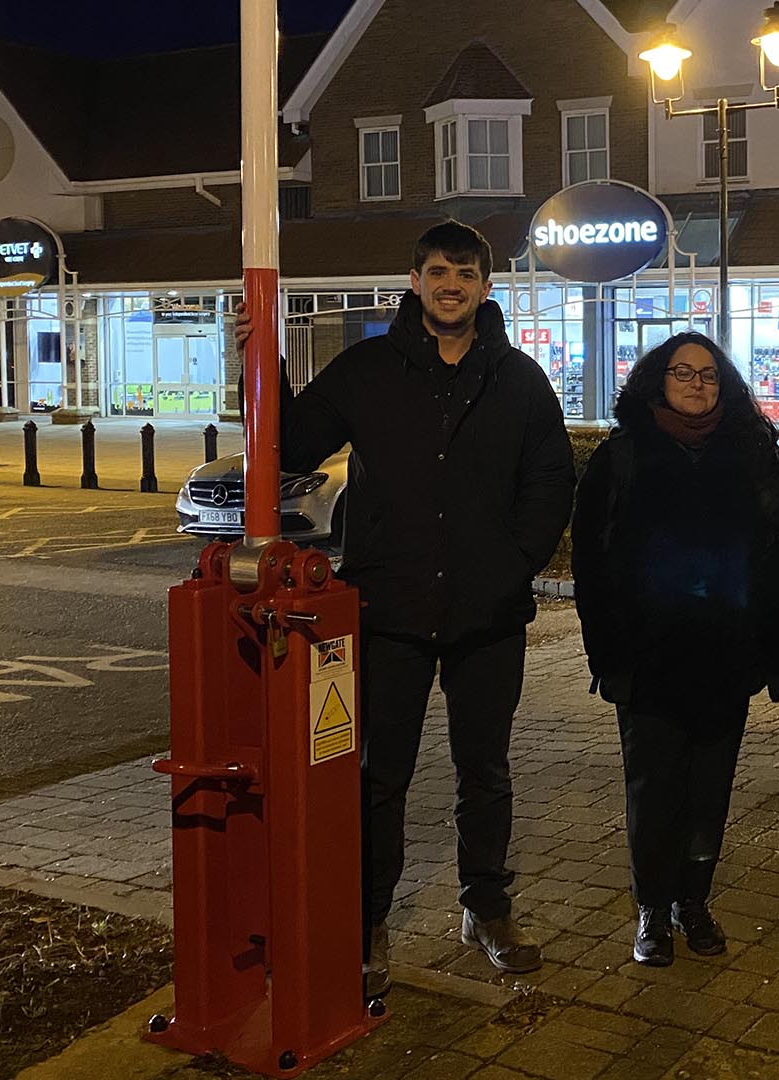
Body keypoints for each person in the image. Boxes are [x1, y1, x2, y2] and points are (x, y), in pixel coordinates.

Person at [240, 221, 575, 995]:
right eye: (437, 271)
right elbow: (292, 446)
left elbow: (551, 479)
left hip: (486, 616)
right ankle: (367, 921)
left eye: (465, 273)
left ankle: (486, 907)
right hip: (388, 606)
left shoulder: (519, 379)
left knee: (483, 771)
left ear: (486, 288)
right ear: (415, 281)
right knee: (378, 774)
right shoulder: (368, 370)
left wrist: (511, 563)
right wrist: (262, 361)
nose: (451, 284)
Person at [569, 332, 779, 967]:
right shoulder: (623, 456)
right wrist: (605, 653)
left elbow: (775, 555)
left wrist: (766, 646)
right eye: (681, 372)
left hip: (725, 656)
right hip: (649, 661)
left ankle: (695, 900)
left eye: (709, 375)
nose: (696, 384)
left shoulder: (750, 455)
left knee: (710, 790)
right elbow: (592, 560)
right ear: (656, 381)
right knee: (653, 789)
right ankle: (651, 909)